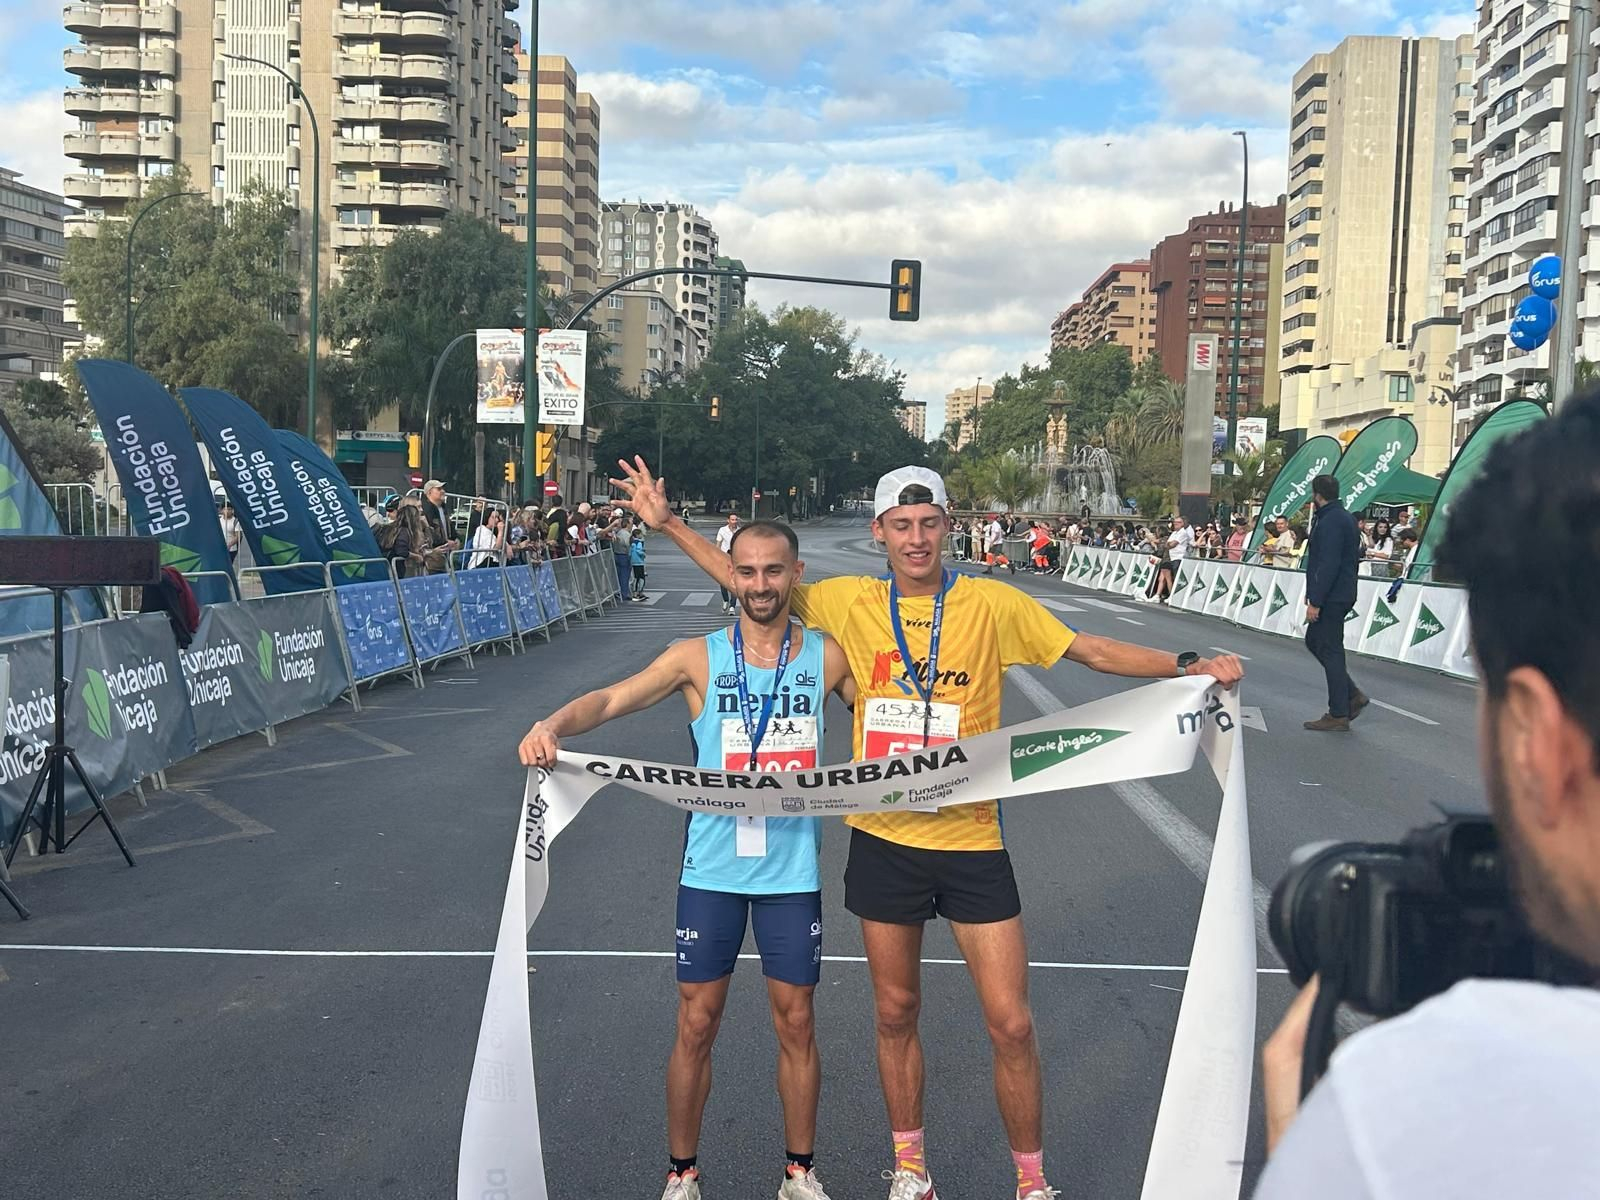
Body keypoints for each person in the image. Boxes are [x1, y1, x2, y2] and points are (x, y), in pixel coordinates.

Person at [614, 457, 1244, 1200]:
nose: (916, 540)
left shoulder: (993, 603)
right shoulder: (847, 601)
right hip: (885, 841)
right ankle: (911, 1171)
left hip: (973, 838)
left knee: (1011, 1024)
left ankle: (1032, 1182)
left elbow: (1090, 651)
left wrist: (1185, 664)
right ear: (879, 532)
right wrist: (670, 523)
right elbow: (753, 575)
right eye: (902, 527)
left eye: (929, 524)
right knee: (894, 1012)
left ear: (949, 525)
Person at [1255, 390, 1600, 1198]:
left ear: (1533, 739)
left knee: (1325, 650)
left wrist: (1312, 1135)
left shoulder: (1413, 1109)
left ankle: (1345, 699)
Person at [517, 520, 854, 1200]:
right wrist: (550, 724)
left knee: (797, 1022)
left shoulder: (829, 657)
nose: (761, 585)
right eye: (748, 572)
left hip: (793, 873)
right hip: (712, 872)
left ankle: (799, 1172)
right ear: (732, 576)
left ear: (796, 574)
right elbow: (613, 698)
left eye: (773, 571)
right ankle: (682, 1175)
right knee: (696, 1021)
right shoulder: (696, 658)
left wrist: (965, 764)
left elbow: (891, 722)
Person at [1301, 474, 1369, 732]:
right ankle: (1351, 695)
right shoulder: (1343, 517)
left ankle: (1339, 711)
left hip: (1332, 595)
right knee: (1316, 641)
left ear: (1317, 494)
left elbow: (1328, 563)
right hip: (1339, 591)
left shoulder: (1331, 521)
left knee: (1329, 648)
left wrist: (1316, 600)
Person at [420, 480, 458, 556]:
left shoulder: (443, 507)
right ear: (429, 492)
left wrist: (456, 538)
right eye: (439, 489)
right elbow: (429, 531)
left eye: (442, 489)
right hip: (434, 552)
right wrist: (445, 541)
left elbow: (449, 525)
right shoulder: (426, 510)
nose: (443, 491)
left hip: (445, 550)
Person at [715, 513, 740, 614]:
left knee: (735, 583)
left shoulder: (739, 531)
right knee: (723, 582)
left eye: (736, 520)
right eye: (732, 520)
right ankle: (725, 600)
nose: (734, 522)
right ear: (728, 520)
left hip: (736, 559)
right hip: (724, 558)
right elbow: (718, 544)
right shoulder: (722, 530)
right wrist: (716, 557)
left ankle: (732, 606)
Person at [629, 525, 649, 601]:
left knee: (636, 577)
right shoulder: (639, 543)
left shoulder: (632, 542)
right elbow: (639, 551)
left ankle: (636, 593)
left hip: (634, 562)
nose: (642, 535)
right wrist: (643, 554)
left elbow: (630, 552)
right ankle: (637, 593)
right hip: (639, 562)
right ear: (637, 535)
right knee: (641, 578)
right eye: (640, 534)